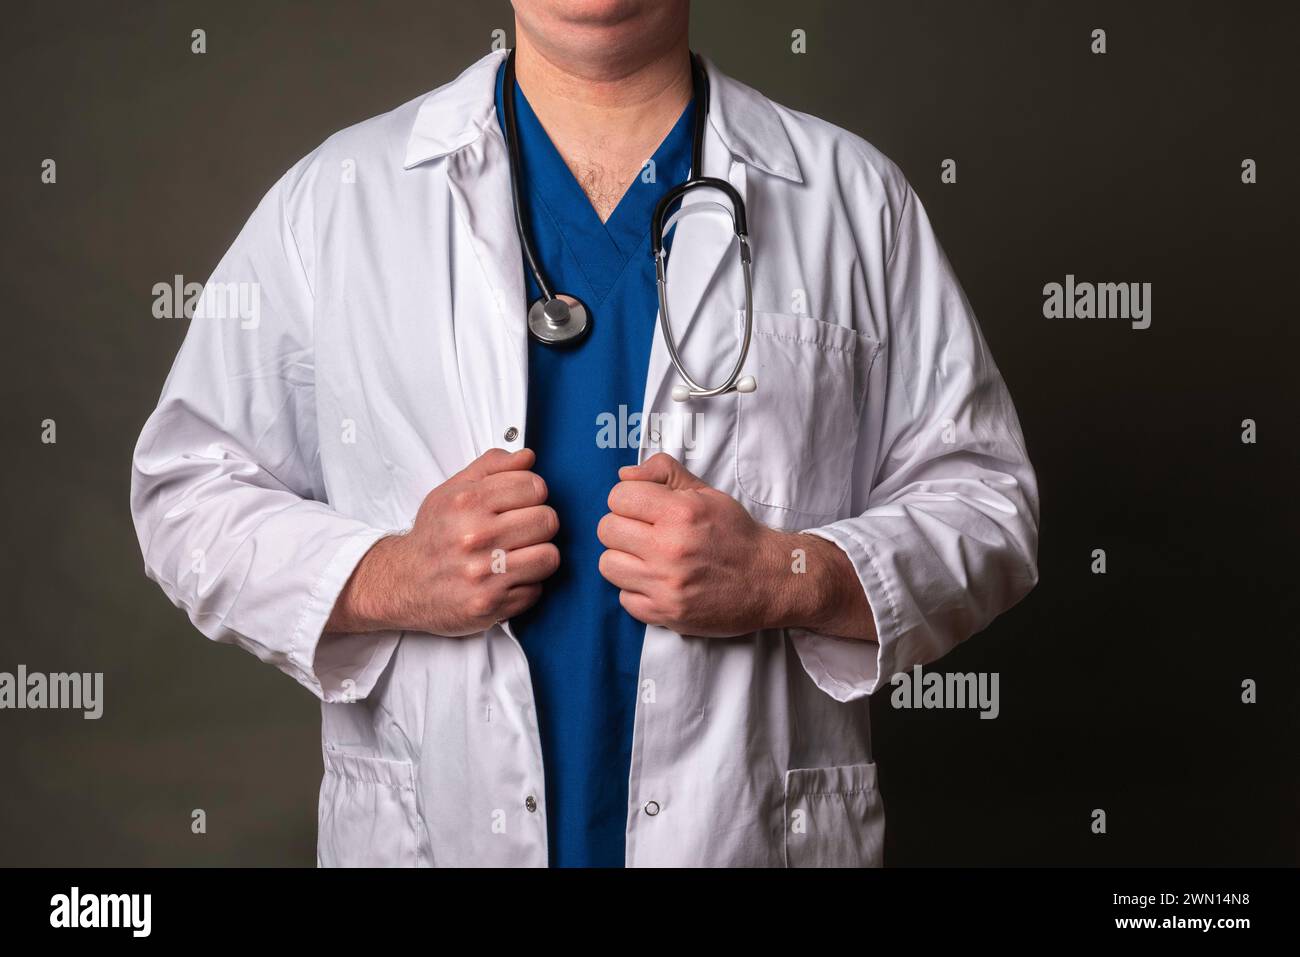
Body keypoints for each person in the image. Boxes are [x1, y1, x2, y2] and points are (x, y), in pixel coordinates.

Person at [130, 0, 1039, 868]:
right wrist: (391, 575)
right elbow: (187, 491)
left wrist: (785, 575)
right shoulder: (340, 199)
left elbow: (988, 503)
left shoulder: (851, 199)